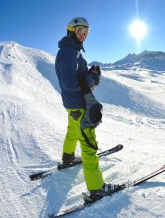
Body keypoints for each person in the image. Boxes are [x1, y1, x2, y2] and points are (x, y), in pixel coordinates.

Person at [55, 17, 118, 201]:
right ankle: (97, 188)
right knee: (89, 145)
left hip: (72, 104)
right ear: (71, 31)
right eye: (80, 31)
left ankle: (67, 159)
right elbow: (70, 82)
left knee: (72, 131)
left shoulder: (70, 50)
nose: (83, 35)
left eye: (86, 32)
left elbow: (75, 78)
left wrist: (89, 74)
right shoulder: (69, 52)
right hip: (78, 104)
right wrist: (91, 79)